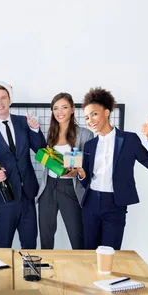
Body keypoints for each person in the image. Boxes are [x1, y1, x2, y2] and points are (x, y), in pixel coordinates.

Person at [77, 87, 148, 250]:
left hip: (115, 204)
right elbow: (86, 180)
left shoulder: (129, 139)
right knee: (89, 253)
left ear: (107, 112)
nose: (90, 120)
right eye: (87, 117)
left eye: (94, 114)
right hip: (91, 203)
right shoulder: (90, 145)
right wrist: (81, 174)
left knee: (110, 254)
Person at [0, 81, 46, 248]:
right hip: (4, 199)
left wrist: (35, 130)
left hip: (27, 196)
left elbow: (41, 150)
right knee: (3, 246)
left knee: (30, 247)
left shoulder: (24, 122)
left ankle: (29, 275)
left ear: (9, 99)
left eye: (3, 98)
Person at [37, 92, 92, 249]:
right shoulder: (50, 133)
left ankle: (82, 270)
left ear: (73, 109)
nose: (59, 112)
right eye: (55, 108)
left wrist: (78, 171)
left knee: (77, 237)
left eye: (64, 107)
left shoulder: (85, 134)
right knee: (46, 237)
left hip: (71, 188)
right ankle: (47, 270)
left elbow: (88, 166)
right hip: (48, 186)